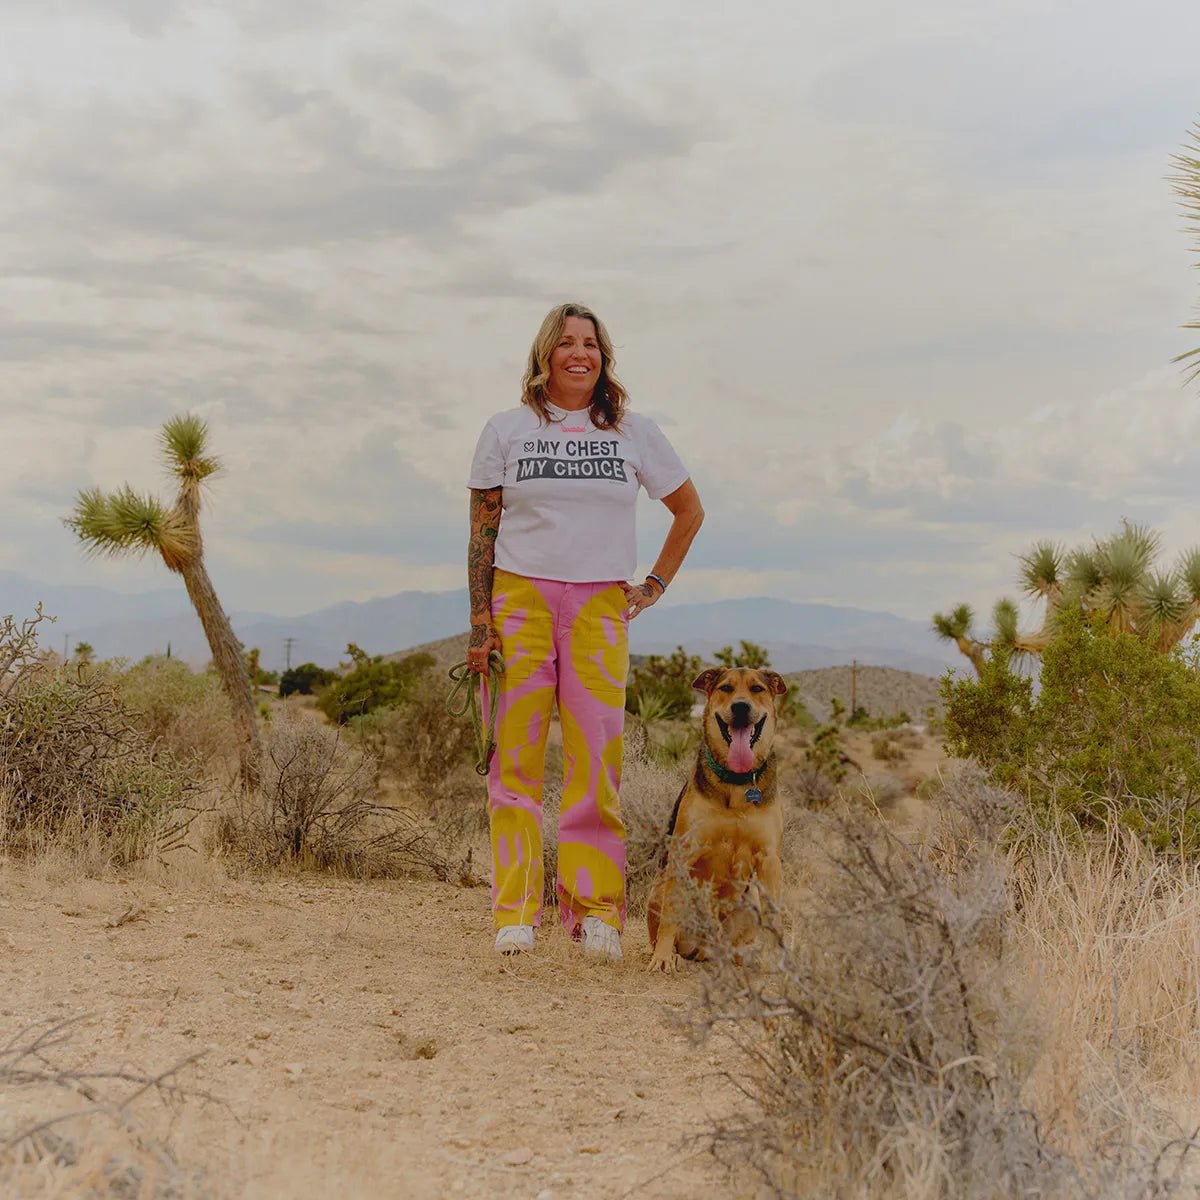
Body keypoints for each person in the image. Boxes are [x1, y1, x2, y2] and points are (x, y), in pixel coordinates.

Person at [466, 302, 704, 958]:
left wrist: (652, 586)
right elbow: (481, 534)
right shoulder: (506, 430)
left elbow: (688, 511)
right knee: (512, 760)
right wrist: (480, 624)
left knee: (597, 759)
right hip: (519, 603)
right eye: (567, 342)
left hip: (600, 608)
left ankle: (595, 911)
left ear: (604, 357)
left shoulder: (634, 432)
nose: (580, 354)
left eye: (591, 344)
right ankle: (514, 910)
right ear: (545, 354)